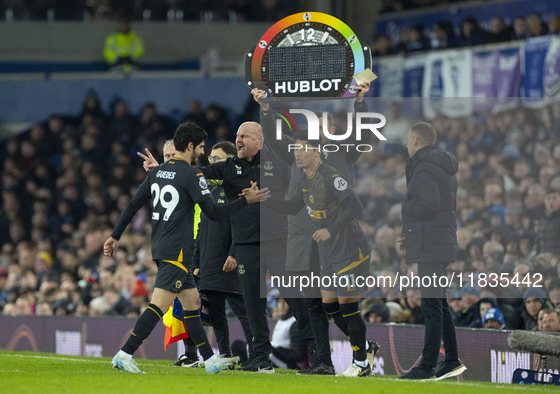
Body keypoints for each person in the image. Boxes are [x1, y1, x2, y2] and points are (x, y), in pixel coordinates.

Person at [105, 122, 265, 374]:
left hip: (161, 246)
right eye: (201, 147)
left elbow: (133, 204)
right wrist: (245, 200)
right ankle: (125, 353)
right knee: (158, 306)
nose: (202, 153)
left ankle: (210, 360)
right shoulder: (191, 175)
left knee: (191, 303)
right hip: (178, 251)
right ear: (190, 146)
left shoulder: (157, 173)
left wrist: (114, 236)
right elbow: (213, 212)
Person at [251, 82, 379, 376]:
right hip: (302, 235)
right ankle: (327, 359)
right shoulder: (297, 152)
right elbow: (271, 138)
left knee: (331, 303)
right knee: (315, 302)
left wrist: (360, 103)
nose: (320, 128)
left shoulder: (343, 152)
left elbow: (367, 134)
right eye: (315, 123)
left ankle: (351, 354)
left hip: (334, 237)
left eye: (325, 124)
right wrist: (266, 109)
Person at [267, 130, 375, 377]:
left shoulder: (330, 175)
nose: (297, 154)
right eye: (295, 149)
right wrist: (263, 201)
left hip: (350, 249)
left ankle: (361, 363)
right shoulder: (305, 180)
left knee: (348, 306)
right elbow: (293, 206)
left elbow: (355, 206)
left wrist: (330, 228)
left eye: (303, 149)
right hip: (328, 253)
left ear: (317, 151)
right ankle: (366, 348)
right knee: (330, 307)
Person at [397, 122, 466, 380]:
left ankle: (426, 366)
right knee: (439, 303)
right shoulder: (442, 165)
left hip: (432, 244)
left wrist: (405, 210)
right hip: (439, 240)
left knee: (431, 305)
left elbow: (428, 204)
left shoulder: (424, 167)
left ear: (416, 141)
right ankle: (451, 360)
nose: (406, 145)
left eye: (407, 140)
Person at [192, 141, 255, 362]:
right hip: (209, 259)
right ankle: (225, 356)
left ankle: (257, 356)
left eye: (217, 160)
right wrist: (197, 261)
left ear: (229, 161)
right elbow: (201, 228)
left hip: (229, 259)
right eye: (211, 159)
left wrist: (234, 253)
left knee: (244, 311)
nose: (211, 163)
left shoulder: (238, 188)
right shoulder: (207, 190)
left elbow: (244, 224)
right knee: (216, 313)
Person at [535, 188, 560, 255]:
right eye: (548, 199)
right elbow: (538, 242)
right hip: (542, 257)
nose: (551, 201)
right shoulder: (541, 218)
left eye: (554, 198)